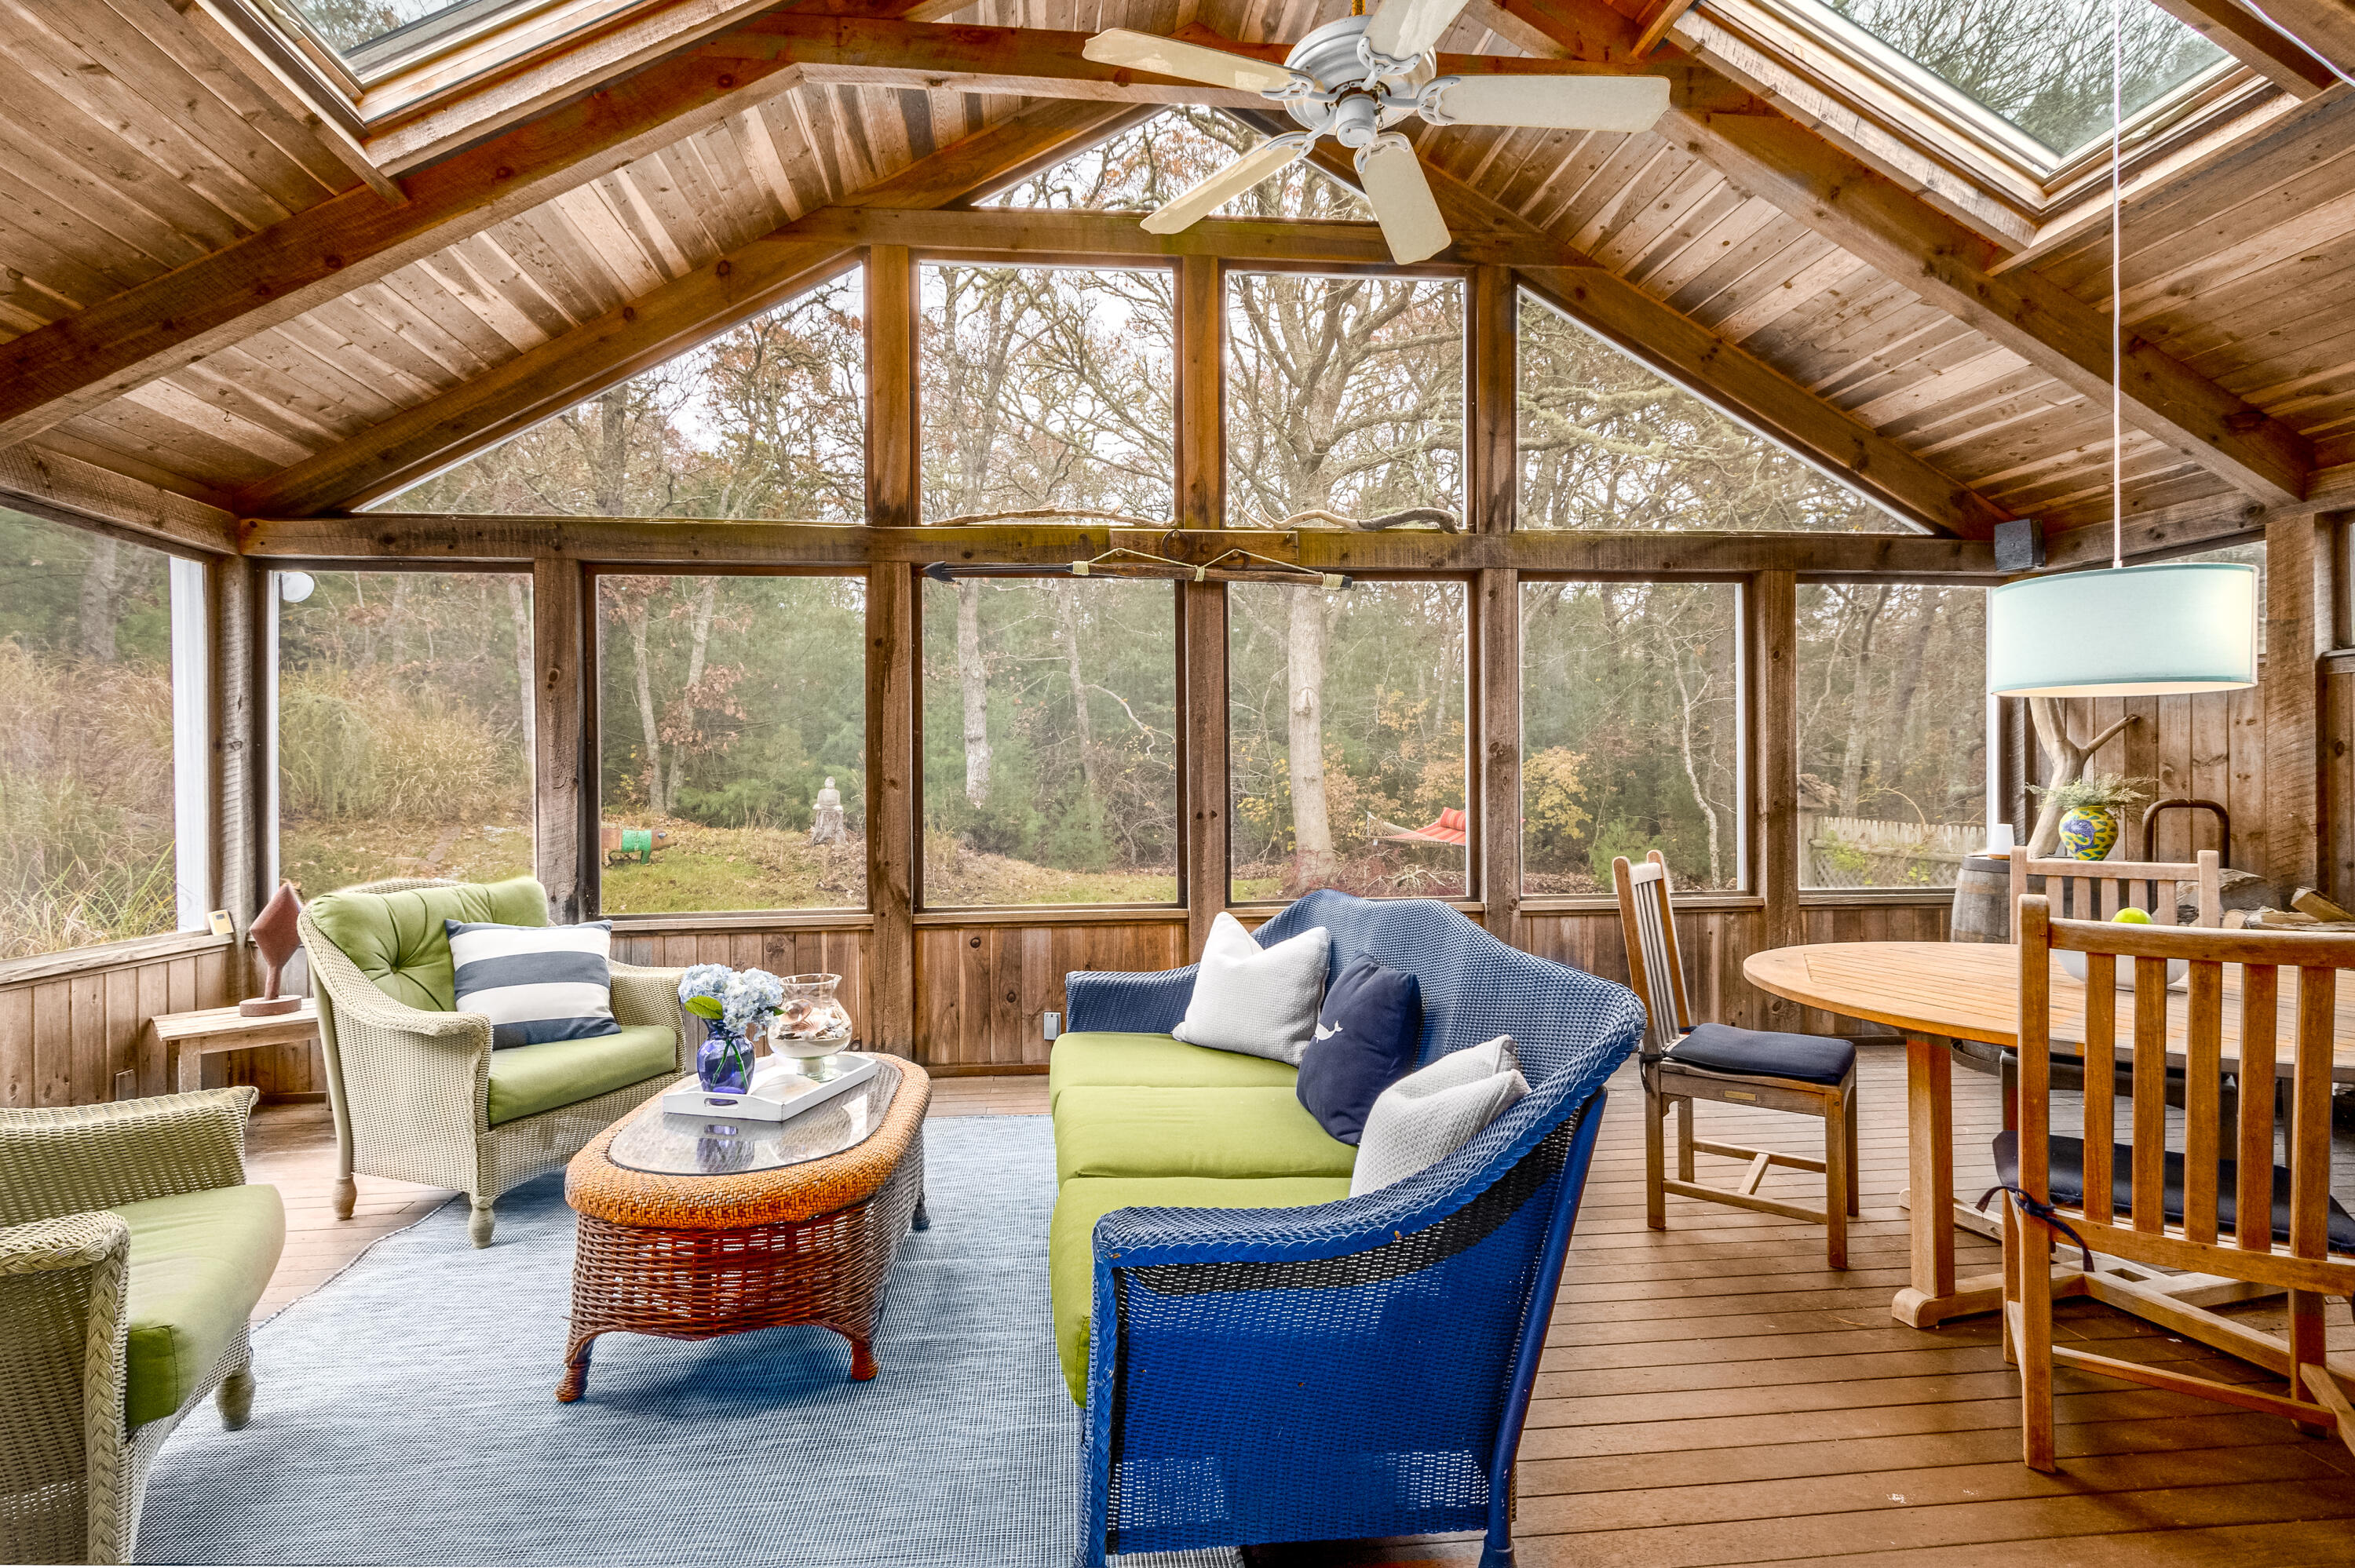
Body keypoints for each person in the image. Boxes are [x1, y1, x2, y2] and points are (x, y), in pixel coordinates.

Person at [810, 775, 846, 845]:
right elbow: (819, 802)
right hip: (823, 807)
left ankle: (834, 837)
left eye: (831, 782)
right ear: (825, 783)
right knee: (820, 810)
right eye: (827, 782)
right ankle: (820, 838)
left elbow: (837, 802)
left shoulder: (836, 792)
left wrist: (836, 807)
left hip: (833, 808)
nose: (829, 784)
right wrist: (821, 807)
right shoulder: (821, 792)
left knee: (838, 810)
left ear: (834, 784)